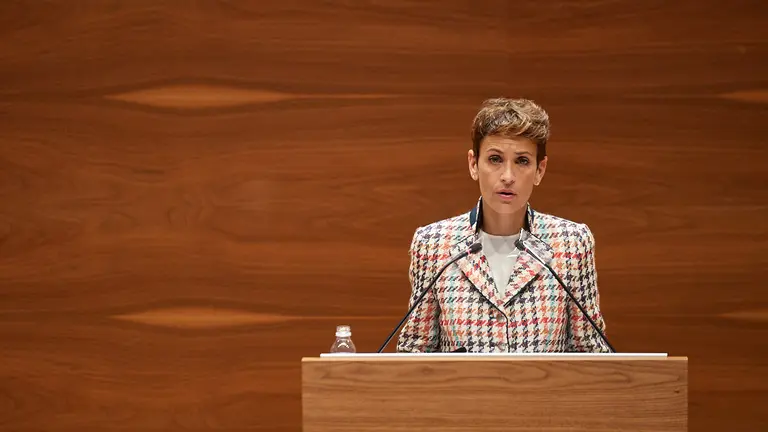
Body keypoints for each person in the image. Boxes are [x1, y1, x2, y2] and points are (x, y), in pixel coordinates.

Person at [396, 97, 610, 353]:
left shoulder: (571, 243)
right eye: (495, 159)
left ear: (540, 170)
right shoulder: (434, 245)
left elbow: (592, 357)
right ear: (473, 164)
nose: (508, 176)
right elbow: (414, 357)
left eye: (522, 161)